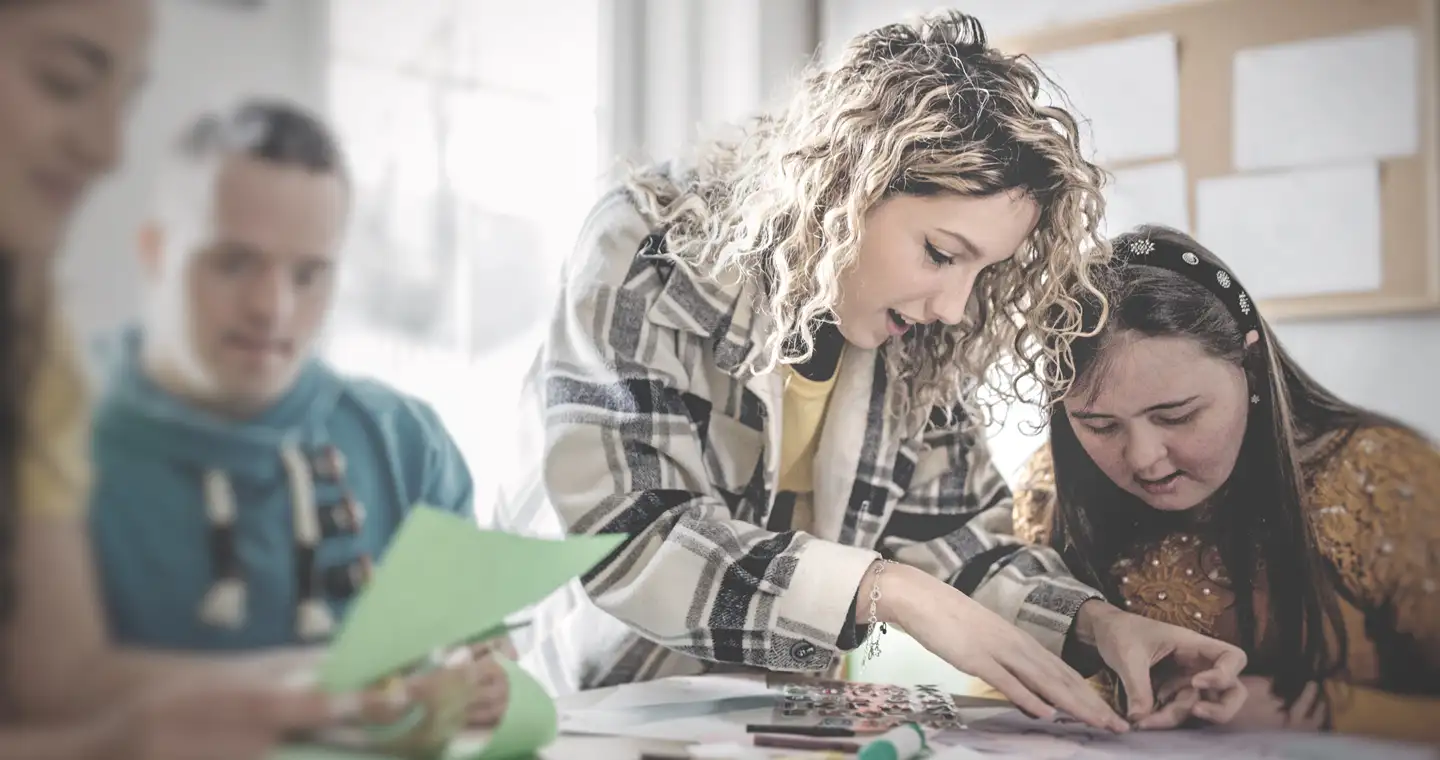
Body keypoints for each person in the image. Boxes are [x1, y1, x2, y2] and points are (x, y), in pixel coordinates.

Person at [498, 10, 1246, 732]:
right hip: (592, 708)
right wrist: (882, 588)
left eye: (981, 273)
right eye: (941, 253)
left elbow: (953, 535)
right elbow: (629, 533)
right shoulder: (646, 248)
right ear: (844, 191)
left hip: (767, 719)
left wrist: (1097, 625)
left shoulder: (915, 333)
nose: (955, 306)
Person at [83, 97, 512, 724]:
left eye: (309, 274)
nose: (273, 308)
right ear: (155, 252)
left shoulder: (406, 445)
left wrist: (485, 684)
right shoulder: (49, 439)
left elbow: (492, 655)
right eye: (234, 263)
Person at [1011, 225, 1440, 742]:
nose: (1145, 459)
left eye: (1177, 415)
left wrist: (1306, 709)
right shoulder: (1051, 492)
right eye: (1100, 426)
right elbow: (1002, 690)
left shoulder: (1381, 481)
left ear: (1251, 369)